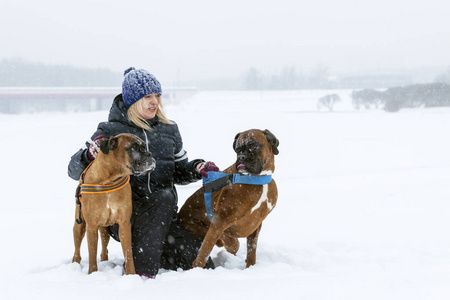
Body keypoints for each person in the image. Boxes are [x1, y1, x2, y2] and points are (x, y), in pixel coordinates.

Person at [68, 67, 218, 278]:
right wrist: (89, 154)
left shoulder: (169, 130)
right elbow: (73, 171)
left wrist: (197, 168)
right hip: (124, 215)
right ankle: (140, 270)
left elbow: (179, 171)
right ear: (133, 100)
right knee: (163, 197)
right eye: (147, 96)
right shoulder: (111, 131)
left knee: (199, 263)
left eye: (157, 96)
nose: (154, 101)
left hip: (162, 217)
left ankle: (153, 254)